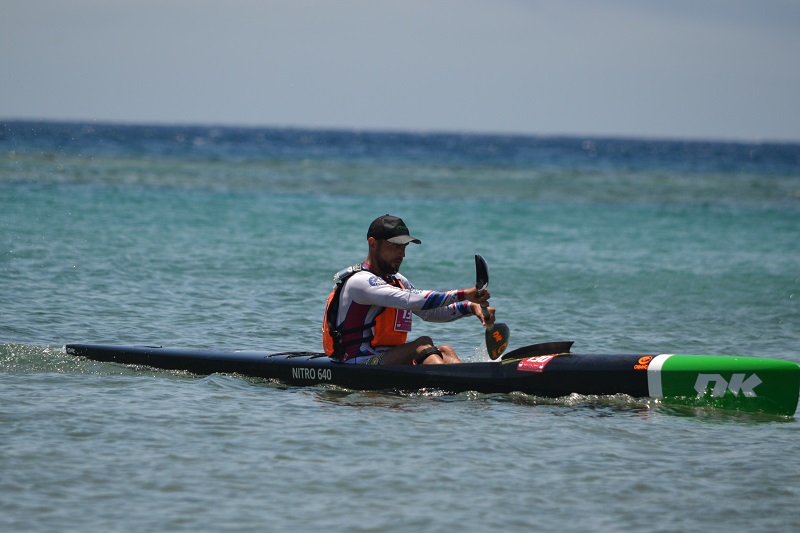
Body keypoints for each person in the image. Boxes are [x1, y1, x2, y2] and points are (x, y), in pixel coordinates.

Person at [322, 214, 495, 365]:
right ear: (373, 243)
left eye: (404, 247)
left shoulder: (397, 281)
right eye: (396, 246)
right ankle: (459, 382)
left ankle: (468, 383)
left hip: (384, 358)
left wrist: (471, 307)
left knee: (445, 351)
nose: (402, 254)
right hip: (356, 362)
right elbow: (411, 300)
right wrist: (463, 294)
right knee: (422, 344)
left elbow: (431, 313)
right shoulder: (360, 282)